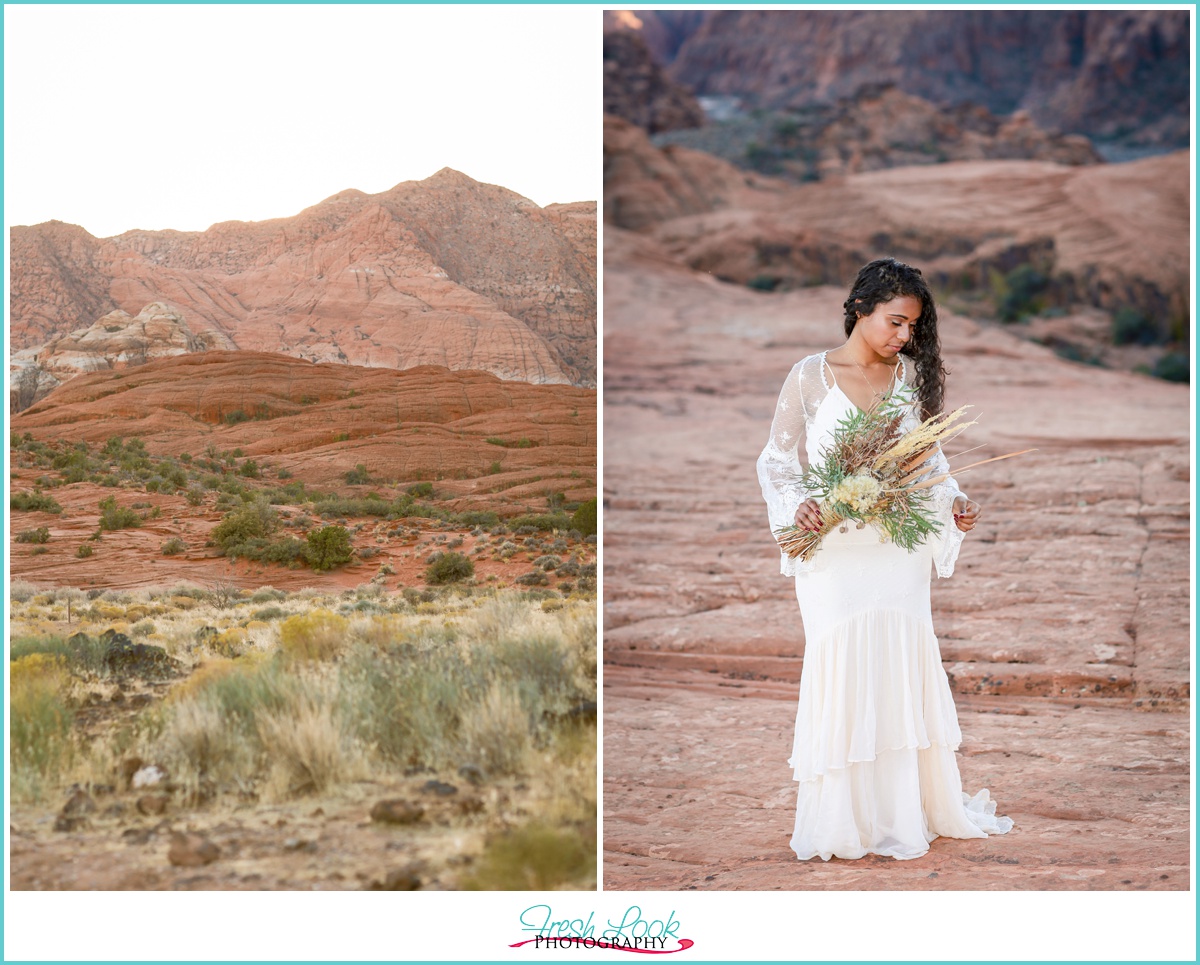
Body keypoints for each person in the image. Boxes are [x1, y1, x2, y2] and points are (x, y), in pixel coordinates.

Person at [756, 257, 1014, 861]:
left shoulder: (908, 382)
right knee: (838, 657)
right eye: (895, 322)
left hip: (895, 547)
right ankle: (842, 820)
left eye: (913, 328)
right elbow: (775, 459)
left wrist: (955, 503)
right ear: (859, 310)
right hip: (832, 549)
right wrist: (797, 508)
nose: (904, 336)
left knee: (899, 661)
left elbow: (928, 462)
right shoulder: (809, 377)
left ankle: (902, 814)